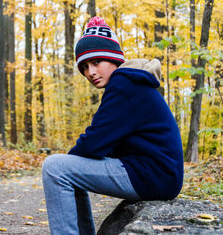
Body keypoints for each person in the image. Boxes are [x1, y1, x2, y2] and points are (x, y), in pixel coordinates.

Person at [41, 16, 184, 235]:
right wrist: (73, 163)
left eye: (96, 62)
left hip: (152, 176)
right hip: (157, 175)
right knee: (67, 169)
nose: (91, 72)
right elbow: (104, 144)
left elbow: (94, 143)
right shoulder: (130, 83)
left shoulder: (123, 86)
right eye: (85, 67)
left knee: (55, 169)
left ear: (113, 59)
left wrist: (70, 162)